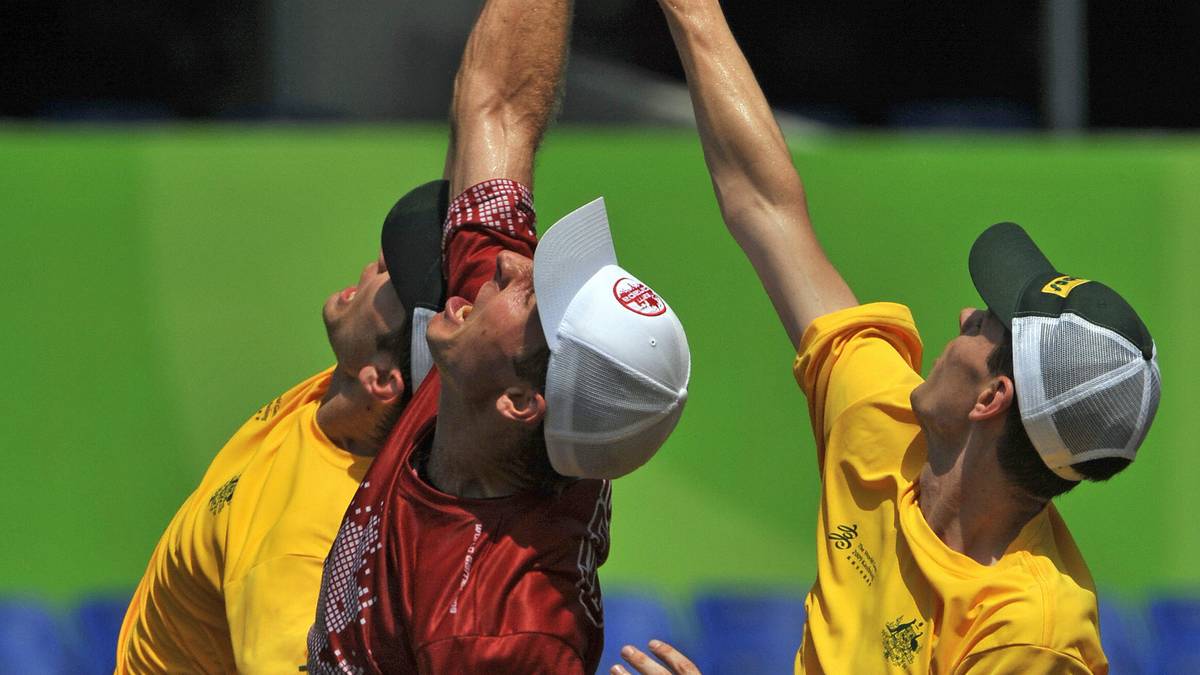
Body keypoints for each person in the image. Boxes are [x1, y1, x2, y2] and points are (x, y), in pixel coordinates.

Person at [615, 1, 1160, 673]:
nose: (964, 314)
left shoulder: (1031, 631)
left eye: (986, 324)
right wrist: (693, 12)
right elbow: (764, 206)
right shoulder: (884, 423)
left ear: (990, 397)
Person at [306, 0, 691, 672]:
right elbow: (500, 103)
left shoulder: (500, 635)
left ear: (520, 402)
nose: (512, 265)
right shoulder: (485, 373)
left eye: (534, 296)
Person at [114, 178, 453, 673]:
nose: (378, 263)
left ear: (382, 380)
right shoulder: (353, 397)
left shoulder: (302, 549)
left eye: (394, 280)